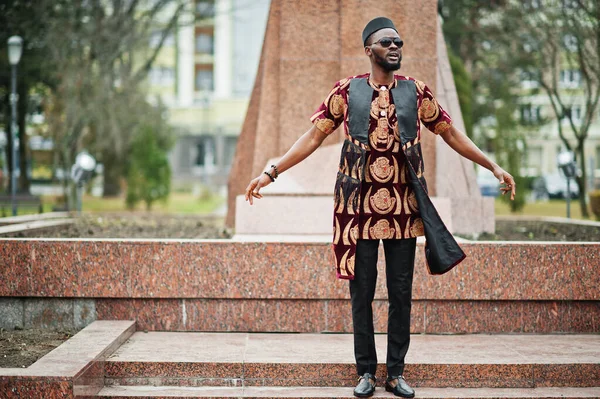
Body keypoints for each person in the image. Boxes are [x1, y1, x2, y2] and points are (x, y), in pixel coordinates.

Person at [244, 16, 515, 399]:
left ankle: (397, 372)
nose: (395, 47)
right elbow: (311, 136)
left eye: (399, 43)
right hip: (358, 213)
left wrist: (492, 165)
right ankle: (366, 373)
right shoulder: (348, 90)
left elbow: (451, 132)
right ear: (368, 49)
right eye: (387, 42)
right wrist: (271, 172)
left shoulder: (416, 92)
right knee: (362, 293)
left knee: (401, 292)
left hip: (404, 213)